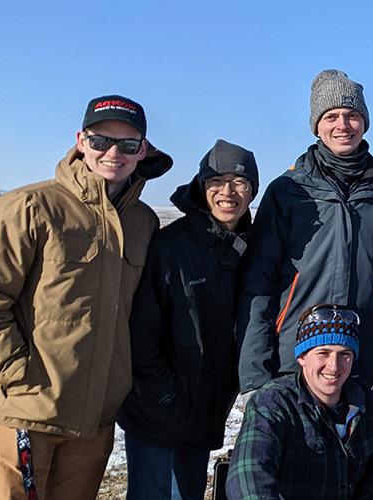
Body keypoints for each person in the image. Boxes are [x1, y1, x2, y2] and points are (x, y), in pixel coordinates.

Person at [0, 94, 172, 499]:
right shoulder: (31, 207)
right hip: (28, 412)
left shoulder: (143, 223)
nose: (114, 153)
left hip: (94, 422)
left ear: (142, 150)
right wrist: (16, 374)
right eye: (100, 141)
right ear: (80, 141)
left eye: (128, 145)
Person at [237, 69, 373, 408]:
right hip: (292, 364)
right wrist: (254, 375)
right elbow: (258, 281)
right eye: (332, 116)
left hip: (362, 364)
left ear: (364, 123)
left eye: (352, 115)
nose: (343, 125)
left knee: (358, 458)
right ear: (317, 126)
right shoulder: (288, 192)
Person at [117, 139, 259, 499]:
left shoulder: (252, 253)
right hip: (155, 411)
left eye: (239, 183)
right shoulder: (171, 246)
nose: (228, 192)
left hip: (204, 411)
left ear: (252, 190)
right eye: (216, 181)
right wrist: (162, 397)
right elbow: (142, 333)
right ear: (202, 186)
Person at [226, 305, 373, 499]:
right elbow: (249, 476)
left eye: (345, 354)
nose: (334, 366)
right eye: (323, 353)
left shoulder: (371, 409)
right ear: (302, 357)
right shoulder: (273, 403)